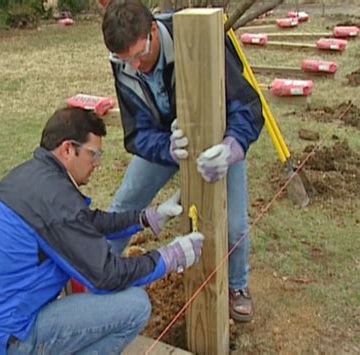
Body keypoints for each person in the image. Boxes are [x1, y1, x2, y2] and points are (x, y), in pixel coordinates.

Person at [0, 107, 204, 354]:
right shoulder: (55, 200)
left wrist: (146, 218)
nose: (97, 163)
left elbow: (86, 223)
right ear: (68, 149)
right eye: (94, 154)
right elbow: (107, 276)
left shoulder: (33, 178)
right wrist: (169, 258)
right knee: (134, 306)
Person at [102, 0, 264, 322]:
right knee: (126, 203)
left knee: (233, 224)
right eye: (125, 59)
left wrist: (231, 148)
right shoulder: (124, 60)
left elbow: (247, 106)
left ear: (153, 31)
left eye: (139, 55)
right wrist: (166, 147)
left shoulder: (202, 38)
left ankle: (237, 286)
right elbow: (137, 131)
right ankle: (99, 269)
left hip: (216, 141)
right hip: (170, 140)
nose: (134, 65)